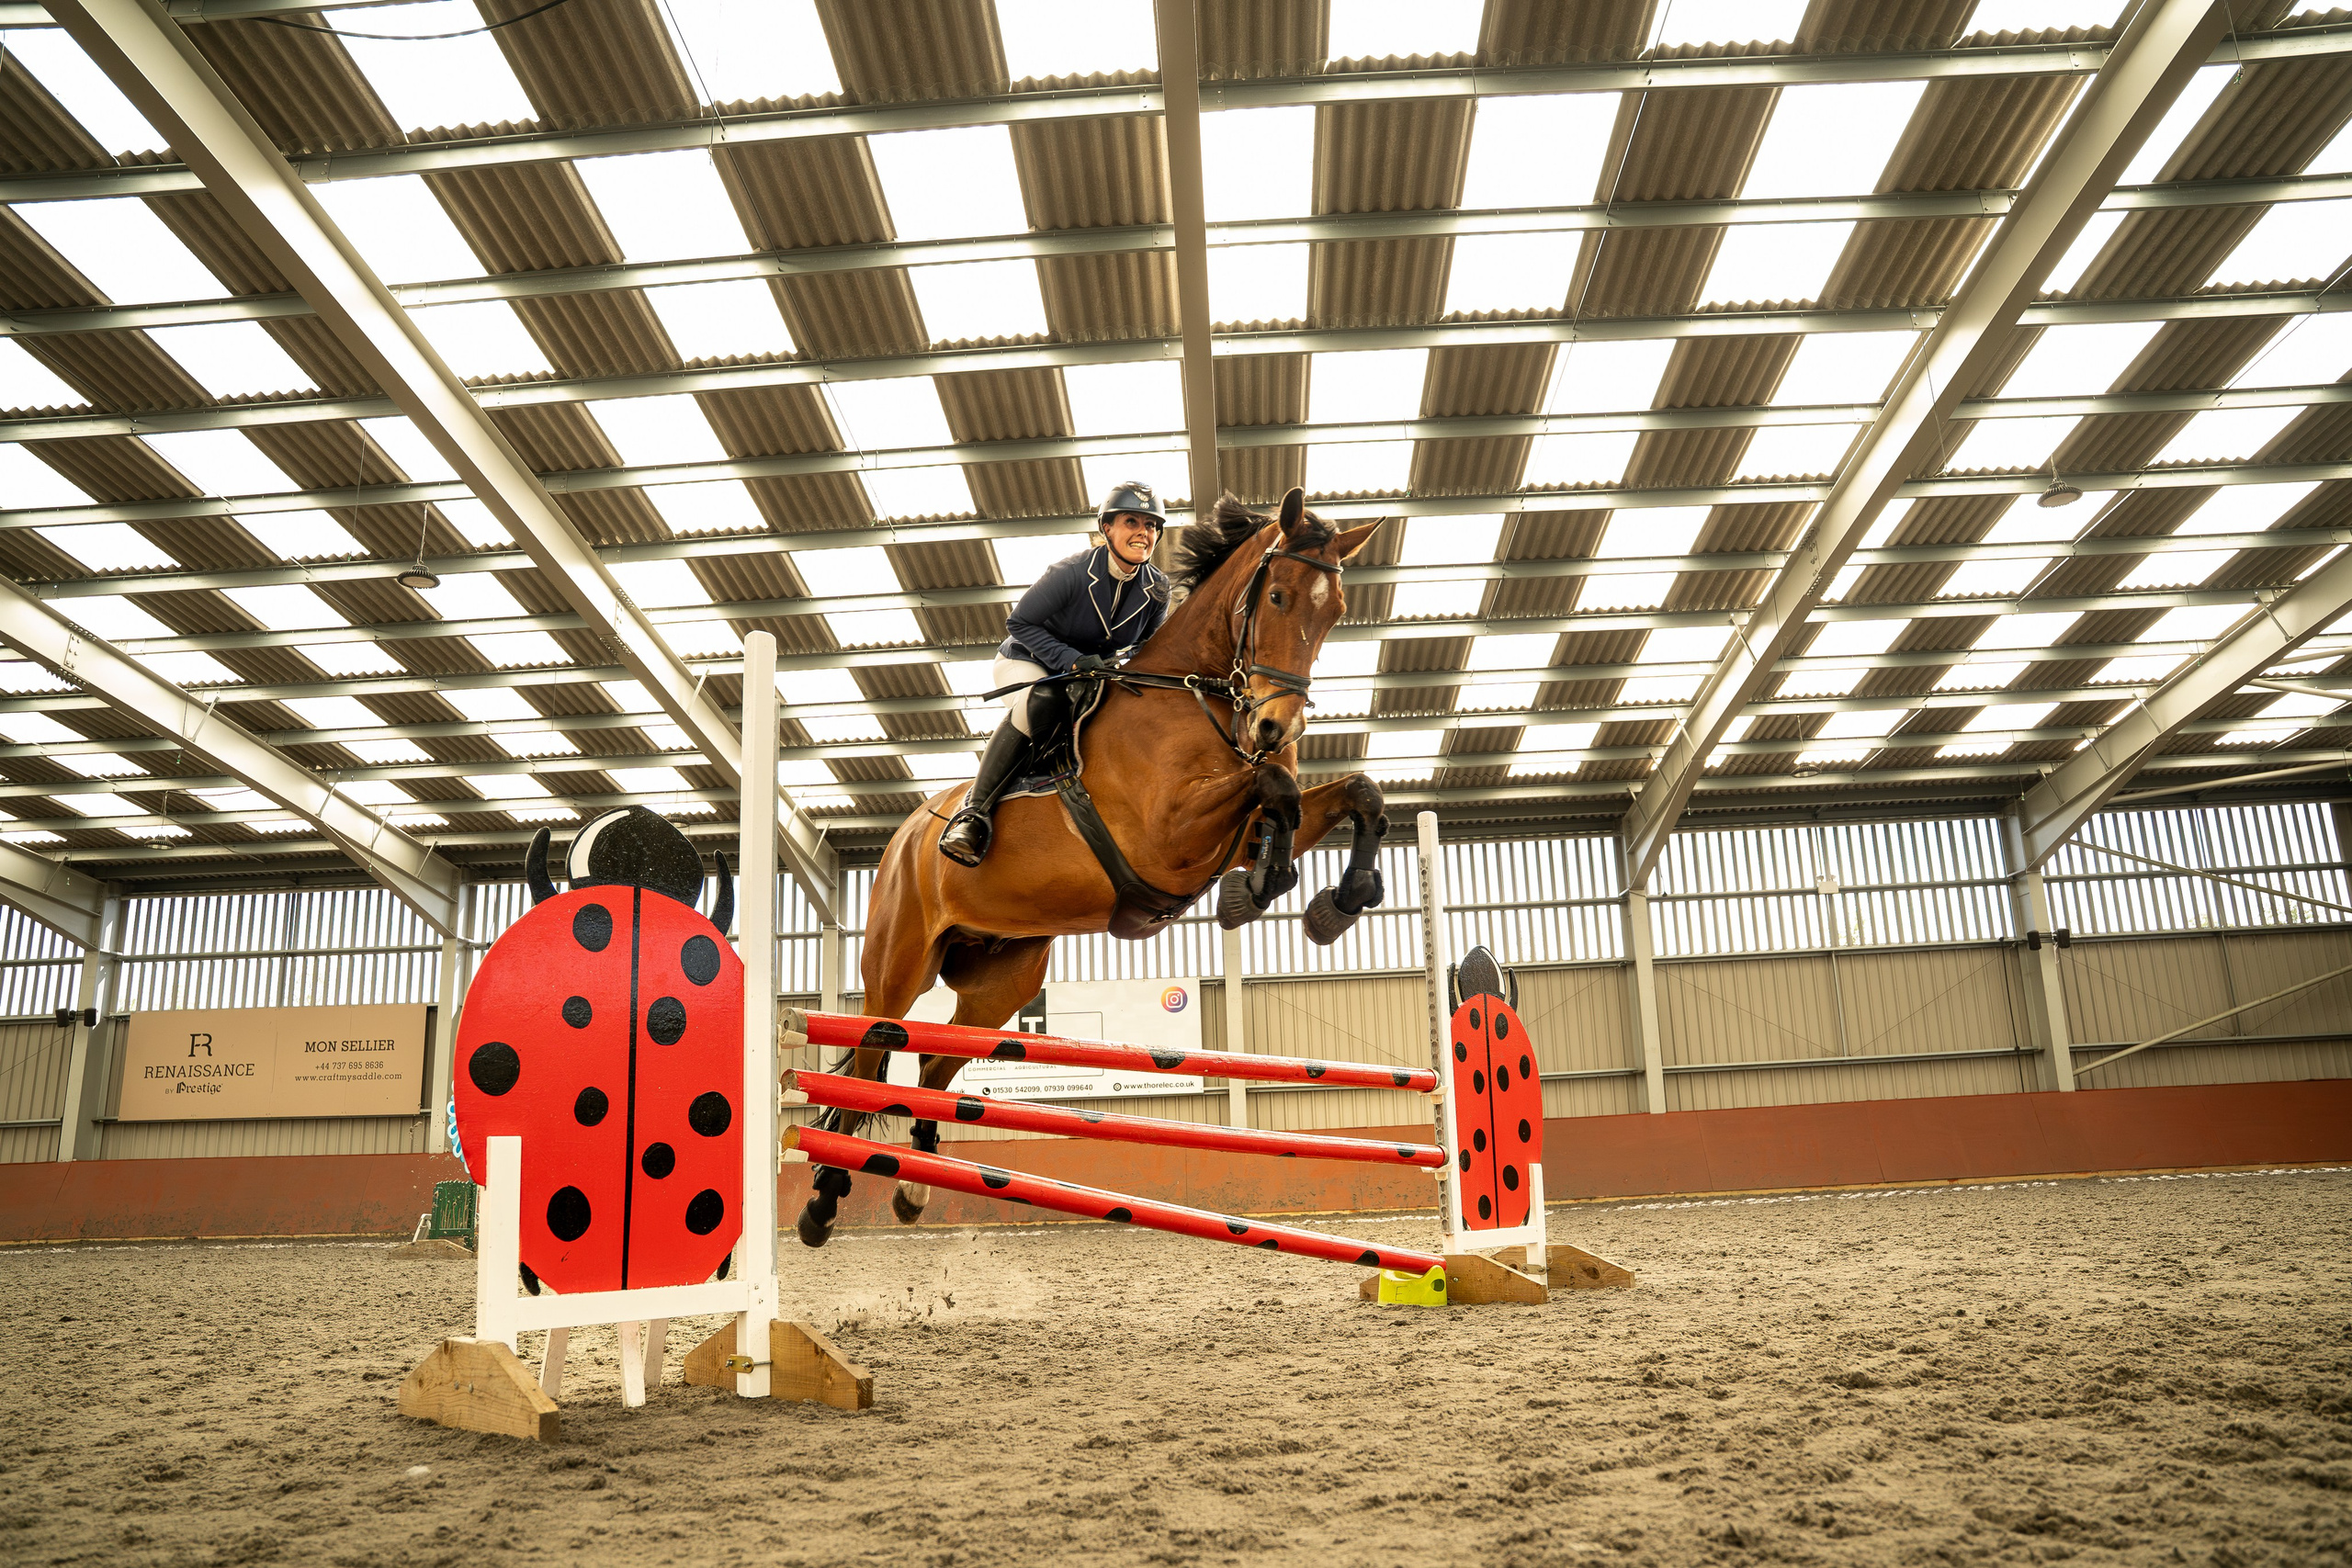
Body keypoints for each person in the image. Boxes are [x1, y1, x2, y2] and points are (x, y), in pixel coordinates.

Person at [937, 480, 1172, 866]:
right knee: (1040, 702)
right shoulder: (1072, 572)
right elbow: (1020, 622)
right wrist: (1074, 661)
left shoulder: (1157, 590)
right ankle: (973, 814)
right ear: (1107, 528)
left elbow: (1148, 650)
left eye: (1151, 526)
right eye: (1132, 522)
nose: (1143, 533)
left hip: (1090, 679)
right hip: (1030, 661)